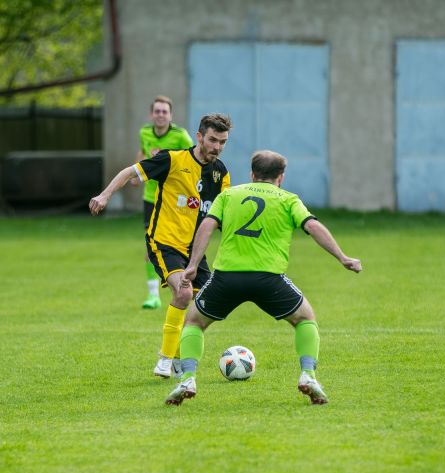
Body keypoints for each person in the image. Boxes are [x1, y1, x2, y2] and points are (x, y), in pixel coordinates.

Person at [164, 150, 362, 406]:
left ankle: (187, 378)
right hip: (269, 279)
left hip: (227, 277)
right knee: (305, 319)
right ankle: (308, 375)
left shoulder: (229, 195)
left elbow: (207, 224)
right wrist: (342, 257)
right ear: (281, 177)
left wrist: (192, 265)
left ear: (252, 174)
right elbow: (312, 226)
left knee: (193, 322)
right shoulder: (289, 199)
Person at [89, 113, 232, 379]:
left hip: (195, 251)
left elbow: (222, 216)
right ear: (199, 137)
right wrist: (105, 194)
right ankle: (165, 360)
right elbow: (129, 172)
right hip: (164, 242)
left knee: (204, 305)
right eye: (213, 140)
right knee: (184, 293)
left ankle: (178, 358)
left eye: (223, 142)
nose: (217, 147)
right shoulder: (172, 159)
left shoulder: (220, 173)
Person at [136, 96, 194, 310]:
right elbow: (142, 152)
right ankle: (153, 295)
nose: (161, 115)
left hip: (176, 201)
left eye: (164, 112)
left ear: (171, 115)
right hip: (151, 199)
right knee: (149, 247)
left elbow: (193, 161)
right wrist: (137, 173)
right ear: (152, 114)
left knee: (180, 244)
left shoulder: (181, 136)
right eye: (157, 111)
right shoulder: (144, 132)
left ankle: (186, 286)